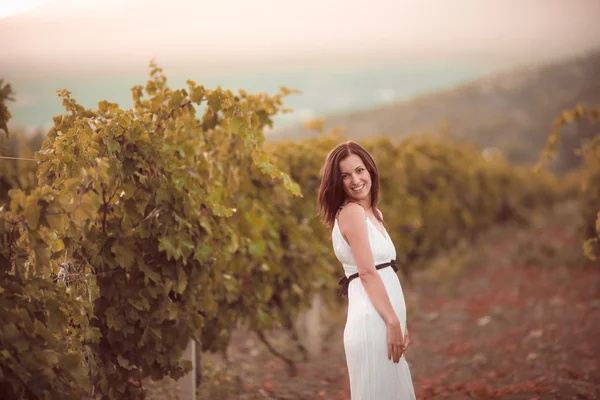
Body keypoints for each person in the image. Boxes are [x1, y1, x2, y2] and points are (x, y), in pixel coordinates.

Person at [317, 140, 416, 400]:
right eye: (345, 175)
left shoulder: (373, 213)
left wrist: (397, 320)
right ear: (338, 183)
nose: (355, 180)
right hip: (373, 322)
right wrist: (393, 321)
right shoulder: (351, 213)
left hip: (382, 318)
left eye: (359, 170)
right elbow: (367, 273)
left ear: (370, 170)